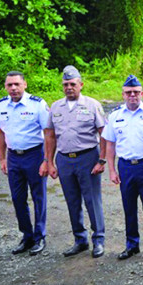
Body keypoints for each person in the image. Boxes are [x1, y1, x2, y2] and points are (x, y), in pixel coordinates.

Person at [44, 66, 108, 258]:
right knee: (72, 202)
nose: (69, 87)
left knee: (92, 201)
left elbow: (103, 133)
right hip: (64, 160)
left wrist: (102, 160)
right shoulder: (55, 107)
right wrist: (49, 162)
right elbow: (50, 136)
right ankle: (80, 240)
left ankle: (99, 240)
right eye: (65, 84)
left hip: (88, 158)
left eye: (73, 84)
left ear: (81, 85)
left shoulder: (92, 105)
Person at [103, 75, 143, 260]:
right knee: (129, 207)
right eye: (129, 92)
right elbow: (110, 145)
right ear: (123, 94)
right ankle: (131, 245)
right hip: (126, 167)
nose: (133, 95)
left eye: (136, 92)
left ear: (142, 93)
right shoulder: (115, 116)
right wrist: (112, 170)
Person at [0, 71, 50, 256]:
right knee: (17, 198)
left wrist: (47, 160)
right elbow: (1, 132)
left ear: (25, 84)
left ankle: (40, 237)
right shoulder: (1, 105)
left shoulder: (37, 104)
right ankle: (27, 236)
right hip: (14, 157)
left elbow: (48, 133)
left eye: (17, 84)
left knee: (38, 197)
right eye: (9, 85)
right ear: (5, 87)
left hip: (35, 155)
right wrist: (2, 158)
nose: (13, 88)